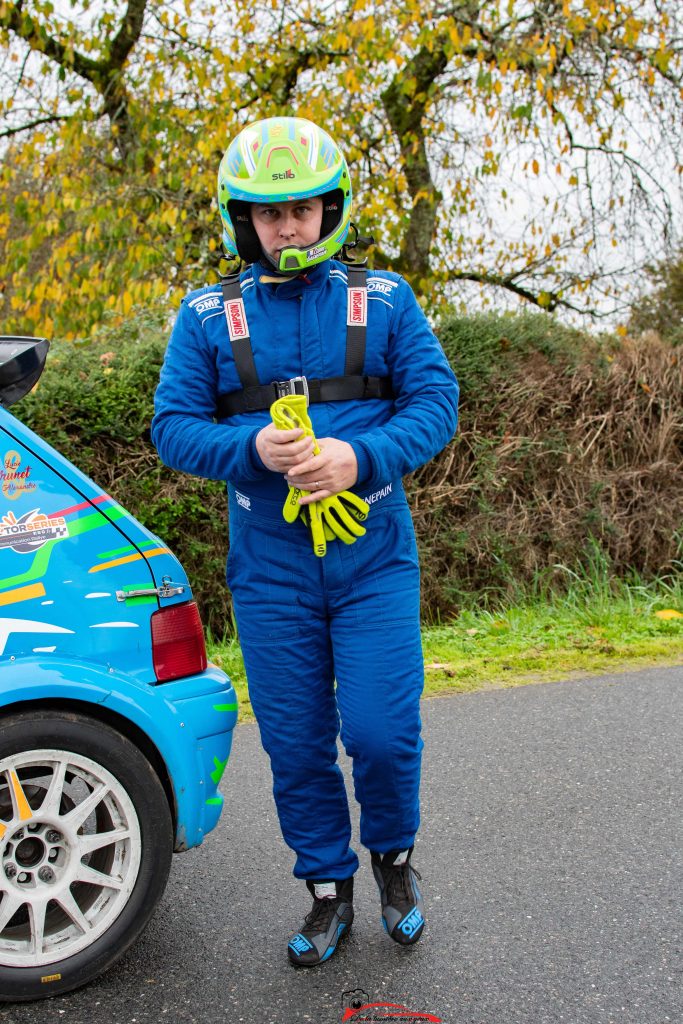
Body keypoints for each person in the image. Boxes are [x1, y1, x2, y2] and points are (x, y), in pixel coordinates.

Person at [152, 116, 459, 967]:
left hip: (373, 564)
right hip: (271, 571)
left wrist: (360, 457)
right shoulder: (206, 315)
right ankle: (328, 891)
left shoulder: (388, 300)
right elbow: (172, 427)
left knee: (381, 732)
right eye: (268, 213)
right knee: (293, 742)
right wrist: (248, 451)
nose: (287, 228)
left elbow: (437, 403)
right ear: (240, 220)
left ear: (332, 211)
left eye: (303, 210)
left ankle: (394, 860)